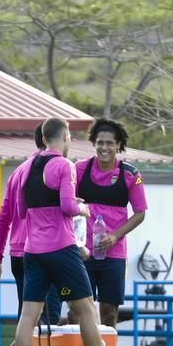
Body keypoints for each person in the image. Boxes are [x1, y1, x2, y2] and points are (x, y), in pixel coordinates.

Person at [11, 117, 136, 346]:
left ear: (43, 138)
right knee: (87, 309)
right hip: (61, 249)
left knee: (29, 314)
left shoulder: (25, 167)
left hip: (33, 250)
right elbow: (68, 206)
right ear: (65, 136)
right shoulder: (64, 165)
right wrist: (84, 209)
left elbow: (19, 211)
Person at [0, 122, 63, 346]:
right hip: (43, 250)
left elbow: (3, 217)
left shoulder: (18, 172)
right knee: (46, 315)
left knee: (30, 314)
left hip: (19, 252)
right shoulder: (55, 169)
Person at [70, 119, 147, 328]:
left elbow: (140, 213)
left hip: (113, 254)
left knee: (109, 311)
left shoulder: (130, 174)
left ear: (118, 145)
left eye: (110, 143)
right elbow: (66, 205)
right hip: (81, 253)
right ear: (94, 143)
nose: (104, 147)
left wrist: (114, 236)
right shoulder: (78, 169)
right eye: (100, 142)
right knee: (76, 311)